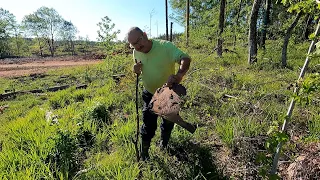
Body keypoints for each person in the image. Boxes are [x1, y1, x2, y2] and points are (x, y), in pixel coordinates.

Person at [127, 27, 191, 161]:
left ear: (145, 35)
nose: (138, 46)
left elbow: (185, 58)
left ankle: (164, 143)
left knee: (168, 122)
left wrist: (179, 75)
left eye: (139, 41)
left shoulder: (165, 47)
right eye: (133, 44)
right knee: (148, 125)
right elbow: (139, 69)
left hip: (168, 93)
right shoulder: (136, 52)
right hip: (149, 94)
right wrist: (135, 70)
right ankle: (144, 153)